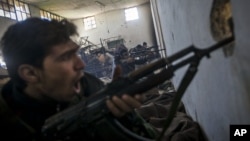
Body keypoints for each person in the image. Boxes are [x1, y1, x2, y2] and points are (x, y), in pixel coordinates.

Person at [0, 18, 148, 140]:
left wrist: (123, 117)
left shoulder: (89, 86)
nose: (81, 64)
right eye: (66, 57)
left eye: (75, 53)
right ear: (30, 73)